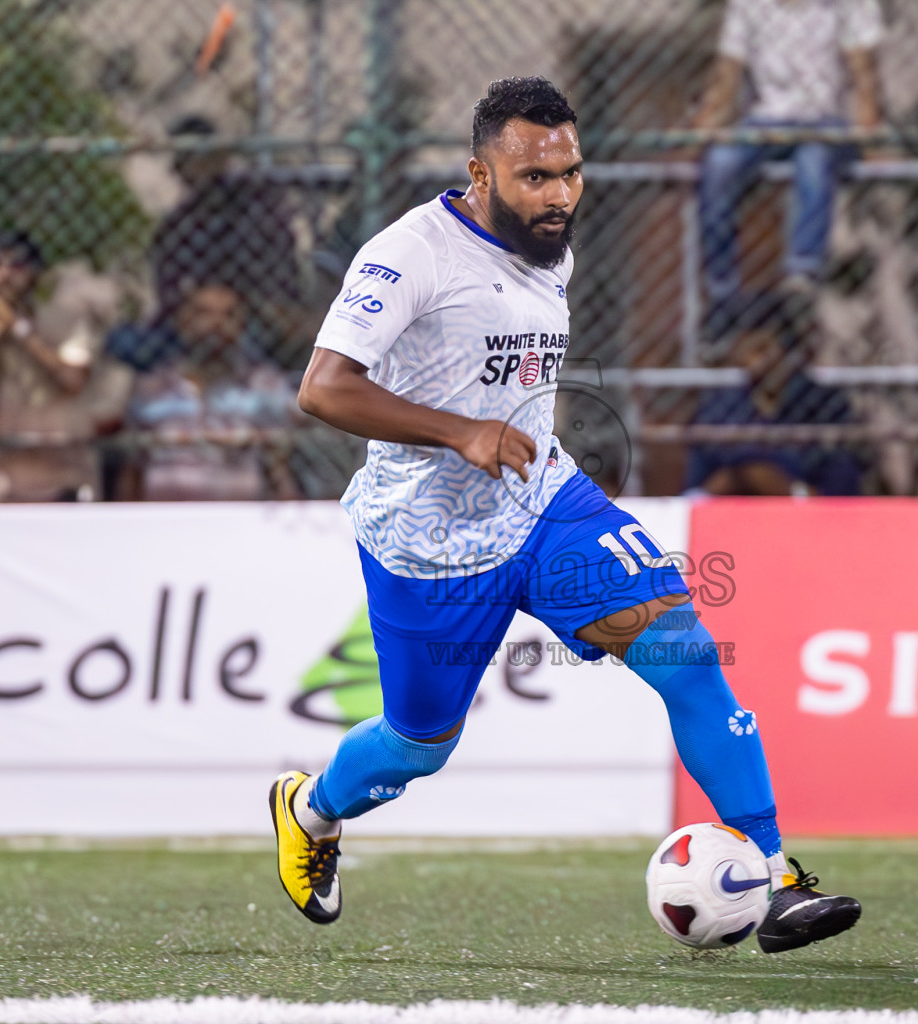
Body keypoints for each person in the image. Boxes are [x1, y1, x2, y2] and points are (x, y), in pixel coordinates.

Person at [270, 77, 859, 954]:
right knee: (419, 742)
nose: (558, 197)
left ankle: (775, 878)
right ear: (479, 172)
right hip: (424, 538)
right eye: (534, 178)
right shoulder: (407, 255)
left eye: (569, 174)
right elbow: (323, 389)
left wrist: (503, 438)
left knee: (686, 650)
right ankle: (310, 809)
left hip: (543, 499)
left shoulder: (552, 245)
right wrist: (457, 431)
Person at [690, 0, 885, 307]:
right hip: (767, 120)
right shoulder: (748, 5)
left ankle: (802, 271)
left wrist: (869, 131)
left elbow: (864, 75)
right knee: (720, 164)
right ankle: (721, 285)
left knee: (814, 160)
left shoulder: (844, 6)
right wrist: (705, 126)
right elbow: (728, 74)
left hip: (824, 117)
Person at [0, 230, 126, 502]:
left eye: (16, 265)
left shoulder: (66, 319)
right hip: (6, 476)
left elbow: (73, 379)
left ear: (36, 273)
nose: (5, 273)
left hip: (67, 472)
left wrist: (20, 329)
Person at [119, 281, 300, 501]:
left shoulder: (265, 386)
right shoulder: (152, 388)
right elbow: (133, 465)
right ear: (183, 322)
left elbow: (279, 465)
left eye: (228, 315)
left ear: (241, 326)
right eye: (203, 313)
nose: (216, 324)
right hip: (165, 515)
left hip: (242, 516)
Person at [150, 114, 312, 357]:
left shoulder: (253, 197)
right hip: (196, 318)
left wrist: (245, 305)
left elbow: (271, 270)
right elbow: (169, 274)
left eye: (191, 160)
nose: (182, 170)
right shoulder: (186, 217)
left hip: (254, 316)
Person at [684, 293, 863, 496]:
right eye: (749, 351)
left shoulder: (820, 400)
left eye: (764, 349)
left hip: (807, 508)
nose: (757, 362)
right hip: (736, 508)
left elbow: (839, 477)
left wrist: (787, 489)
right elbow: (706, 484)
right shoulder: (721, 404)